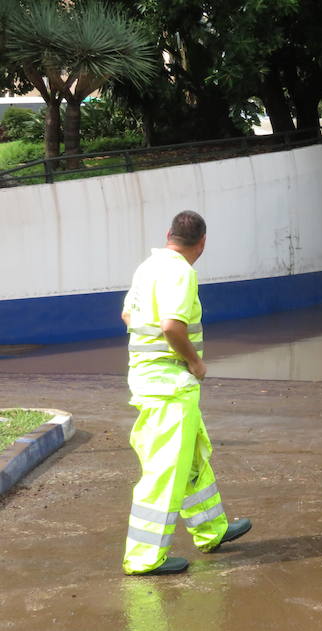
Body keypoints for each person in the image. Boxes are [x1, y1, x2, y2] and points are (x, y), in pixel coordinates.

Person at [120, 210, 251, 575]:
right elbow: (173, 327)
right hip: (169, 385)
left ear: (169, 234)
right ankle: (145, 558)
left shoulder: (148, 267)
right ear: (203, 243)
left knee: (193, 457)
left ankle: (212, 530)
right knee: (165, 470)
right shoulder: (181, 272)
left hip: (154, 381)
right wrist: (194, 363)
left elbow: (128, 316)